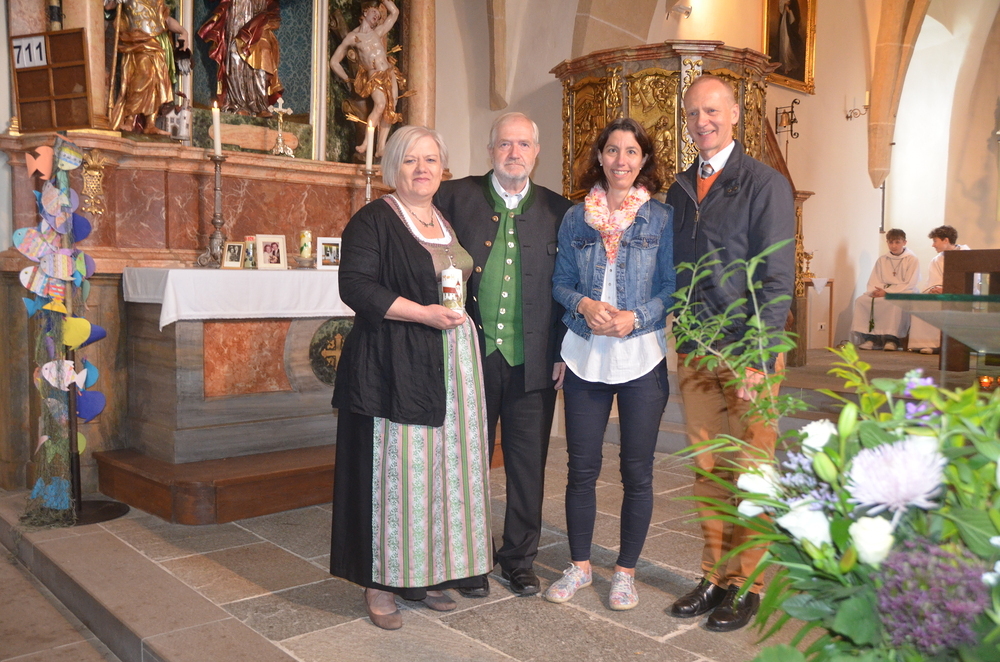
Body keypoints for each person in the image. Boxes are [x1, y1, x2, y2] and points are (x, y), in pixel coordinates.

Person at [329, 126, 492, 631]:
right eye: (410, 160)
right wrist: (422, 314)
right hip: (394, 364)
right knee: (395, 476)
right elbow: (355, 286)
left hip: (452, 364)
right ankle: (379, 584)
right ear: (392, 168)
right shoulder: (374, 219)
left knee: (441, 473)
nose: (422, 169)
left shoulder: (442, 218)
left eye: (431, 160)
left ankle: (428, 572)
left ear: (442, 168)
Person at [666, 75, 796, 632]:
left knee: (752, 473)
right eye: (694, 113)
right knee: (709, 471)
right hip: (697, 350)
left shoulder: (764, 183)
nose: (702, 122)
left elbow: (777, 276)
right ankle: (714, 576)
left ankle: (750, 582)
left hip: (747, 352)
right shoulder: (679, 188)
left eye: (713, 111)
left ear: (736, 113)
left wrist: (760, 358)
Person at [434, 113, 572, 597]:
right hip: (470, 356)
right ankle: (468, 559)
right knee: (466, 461)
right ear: (491, 150)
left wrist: (561, 350)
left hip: (534, 358)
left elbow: (570, 286)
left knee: (527, 464)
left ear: (537, 152)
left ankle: (519, 558)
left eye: (524, 145)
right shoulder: (453, 197)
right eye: (505, 144)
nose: (515, 153)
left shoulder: (560, 210)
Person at [543, 118, 675, 611]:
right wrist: (583, 304)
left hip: (642, 356)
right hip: (585, 356)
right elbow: (559, 282)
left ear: (644, 160)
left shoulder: (661, 218)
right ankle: (579, 566)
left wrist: (635, 317)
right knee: (581, 469)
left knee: (637, 472)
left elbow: (672, 287)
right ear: (599, 157)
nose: (621, 160)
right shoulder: (576, 218)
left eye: (631, 151)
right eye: (613, 150)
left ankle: (624, 573)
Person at [331, 0, 412, 159]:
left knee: (390, 107)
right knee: (380, 105)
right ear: (365, 13)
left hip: (388, 72)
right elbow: (334, 62)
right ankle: (367, 143)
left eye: (379, 14)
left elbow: (395, 12)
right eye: (374, 12)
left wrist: (384, 1)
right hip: (374, 75)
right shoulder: (353, 37)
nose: (377, 15)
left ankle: (381, 147)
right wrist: (347, 79)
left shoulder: (378, 32)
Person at [105, 0, 190, 134]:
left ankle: (150, 123)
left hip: (154, 45)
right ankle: (129, 119)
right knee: (141, 78)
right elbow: (107, 10)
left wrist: (183, 31)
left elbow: (165, 19)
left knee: (157, 81)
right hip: (135, 42)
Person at [199, 0, 283, 116]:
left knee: (260, 61)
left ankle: (260, 103)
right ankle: (237, 102)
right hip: (236, 12)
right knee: (235, 57)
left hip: (258, 20)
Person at [849, 229, 920, 351]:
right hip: (882, 290)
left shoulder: (911, 259)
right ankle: (871, 338)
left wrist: (888, 293)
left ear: (904, 242)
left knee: (894, 303)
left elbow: (910, 282)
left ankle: (892, 339)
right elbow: (875, 279)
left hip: (904, 291)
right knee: (861, 301)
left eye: (897, 242)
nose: (893, 246)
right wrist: (876, 291)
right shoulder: (883, 259)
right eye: (890, 242)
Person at [908, 225, 971, 354]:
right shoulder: (936, 260)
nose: (933, 245)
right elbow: (933, 282)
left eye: (935, 241)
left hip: (963, 295)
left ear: (946, 240)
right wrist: (935, 289)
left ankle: (937, 344)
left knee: (939, 304)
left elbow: (972, 282)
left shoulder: (967, 255)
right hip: (943, 293)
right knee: (920, 303)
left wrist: (947, 290)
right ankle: (923, 343)